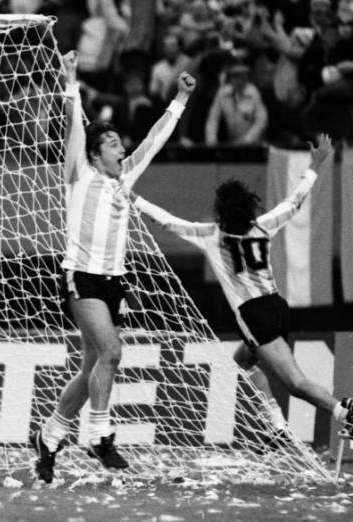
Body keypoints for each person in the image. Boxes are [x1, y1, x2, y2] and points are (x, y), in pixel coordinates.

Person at [28, 50, 195, 484]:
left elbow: (156, 138)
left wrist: (178, 99)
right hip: (81, 277)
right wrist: (70, 79)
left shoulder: (126, 178)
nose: (123, 150)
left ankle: (49, 437)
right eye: (114, 145)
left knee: (91, 369)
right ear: (96, 153)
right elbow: (75, 125)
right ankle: (100, 435)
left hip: (114, 281)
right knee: (113, 352)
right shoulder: (79, 174)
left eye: (122, 144)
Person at [131, 134, 352, 446]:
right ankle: (276, 424)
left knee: (295, 382)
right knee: (243, 362)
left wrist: (134, 198)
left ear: (221, 211)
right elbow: (295, 199)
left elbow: (168, 222)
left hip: (253, 315)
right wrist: (315, 164)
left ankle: (342, 411)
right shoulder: (264, 225)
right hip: (277, 306)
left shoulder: (212, 236)